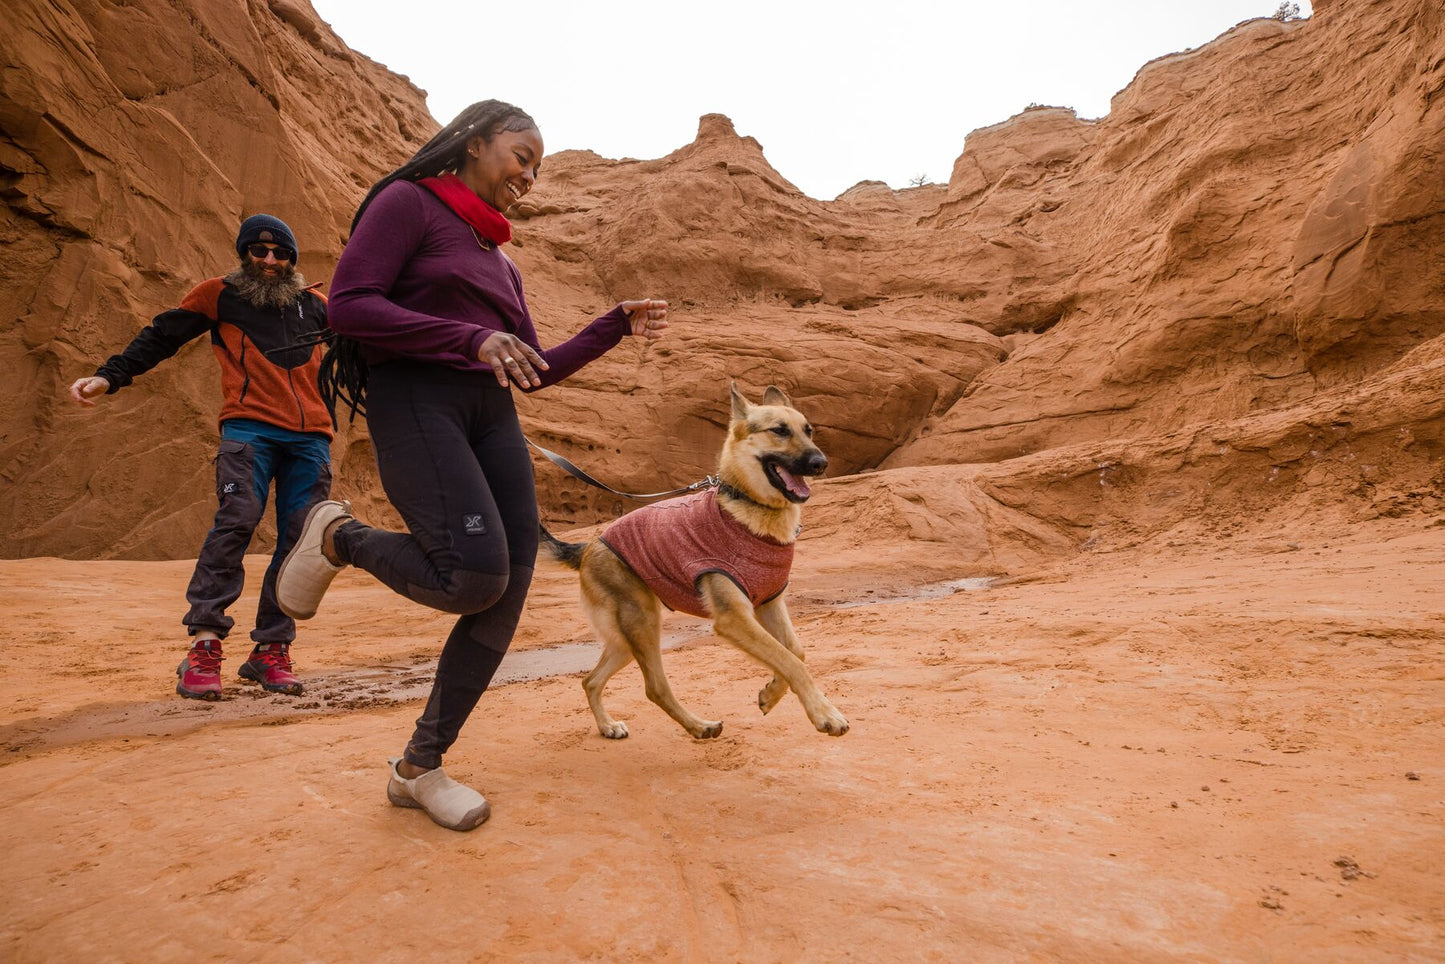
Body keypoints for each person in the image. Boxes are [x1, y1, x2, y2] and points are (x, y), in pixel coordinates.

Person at [275, 100, 669, 832]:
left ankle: (418, 768)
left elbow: (535, 369)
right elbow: (350, 308)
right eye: (521, 154)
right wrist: (470, 340)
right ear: (474, 141)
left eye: (539, 167)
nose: (529, 174)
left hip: (490, 415)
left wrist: (611, 327)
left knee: (508, 589)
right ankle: (341, 537)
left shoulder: (500, 261)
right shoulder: (408, 204)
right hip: (417, 402)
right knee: (473, 577)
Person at [69, 215, 333, 701]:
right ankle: (204, 645)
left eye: (280, 254)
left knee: (300, 538)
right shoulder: (220, 294)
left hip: (311, 437)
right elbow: (162, 335)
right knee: (238, 517)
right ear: (244, 255)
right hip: (249, 428)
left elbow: (367, 359)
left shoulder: (318, 307)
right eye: (259, 252)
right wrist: (110, 376)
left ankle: (270, 651)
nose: (270, 261)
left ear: (293, 259)